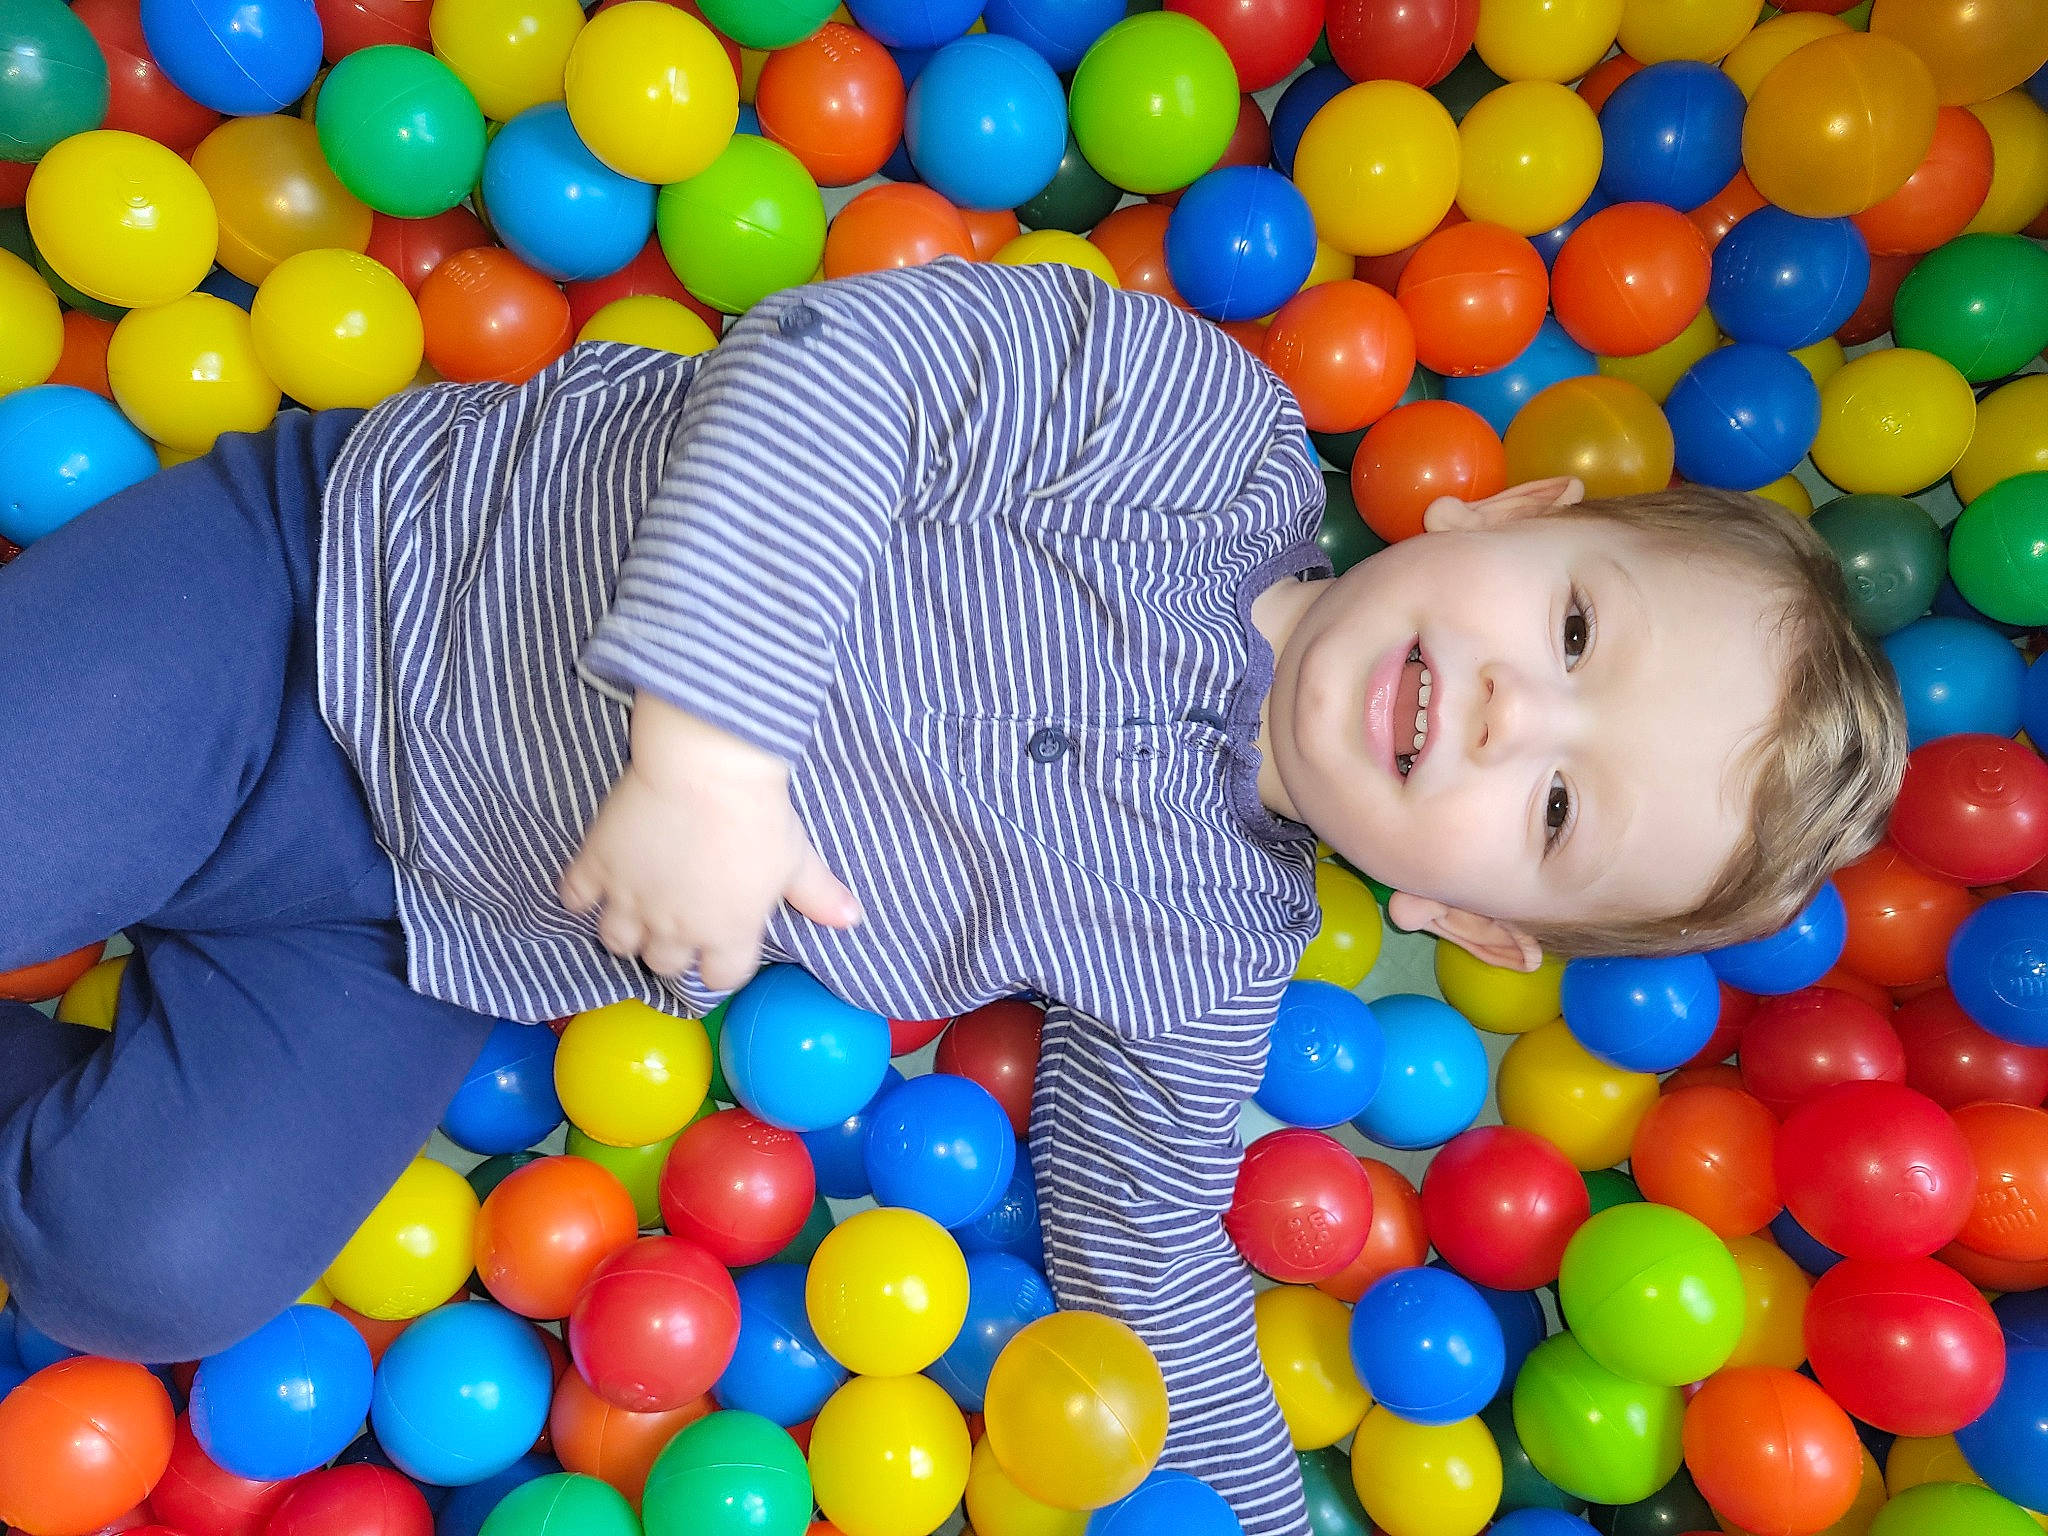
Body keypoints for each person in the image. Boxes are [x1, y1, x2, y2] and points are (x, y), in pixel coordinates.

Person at [0, 258, 1903, 1531]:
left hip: (412, 937)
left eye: (1559, 810)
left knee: (154, 1262)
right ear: (1493, 513)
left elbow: (1144, 1262)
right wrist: (710, 759)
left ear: (1479, 930)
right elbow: (854, 365)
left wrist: (1254, 1512)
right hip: (324, 590)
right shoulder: (1203, 438)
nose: (1508, 713)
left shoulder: (1207, 941)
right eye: (1573, 625)